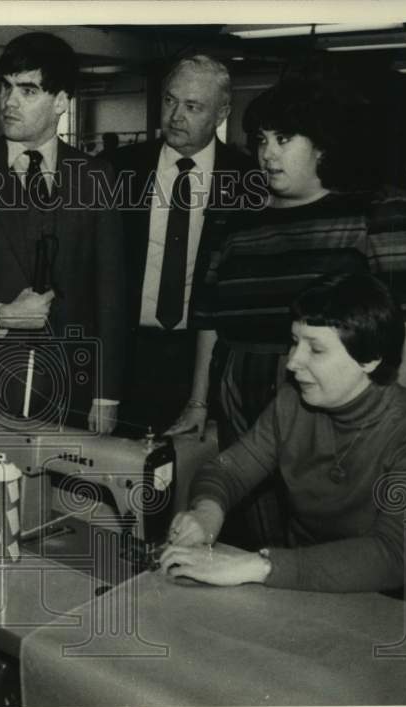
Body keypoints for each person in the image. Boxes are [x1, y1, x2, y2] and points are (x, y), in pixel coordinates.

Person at [168, 77, 406, 549]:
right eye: (262, 140)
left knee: (326, 535)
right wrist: (198, 401)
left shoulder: (377, 207)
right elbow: (208, 319)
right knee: (246, 529)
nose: (268, 154)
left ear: (323, 147)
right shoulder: (232, 213)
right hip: (239, 389)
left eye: (285, 139)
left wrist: (390, 413)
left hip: (325, 391)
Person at [160, 272, 406, 596]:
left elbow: (393, 555)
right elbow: (227, 471)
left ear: (370, 359)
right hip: (311, 590)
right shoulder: (293, 403)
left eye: (315, 350)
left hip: (401, 611)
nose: (292, 362)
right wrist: (207, 514)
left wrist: (254, 566)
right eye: (294, 342)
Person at [0, 31, 126, 434]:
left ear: (62, 102)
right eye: (6, 87)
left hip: (72, 386)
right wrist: (0, 314)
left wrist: (107, 393)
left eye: (28, 90)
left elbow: (112, 294)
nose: (9, 102)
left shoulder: (96, 176)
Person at [104, 55, 257, 437]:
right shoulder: (117, 170)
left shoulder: (247, 181)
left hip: (204, 360)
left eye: (193, 107)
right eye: (170, 101)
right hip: (127, 355)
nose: (176, 116)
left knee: (193, 477)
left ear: (222, 112)